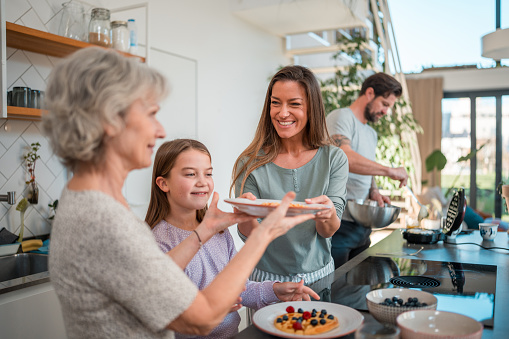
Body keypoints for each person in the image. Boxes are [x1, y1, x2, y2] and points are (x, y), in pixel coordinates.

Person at [42, 47, 315, 339]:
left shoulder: (88, 202)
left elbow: (155, 280)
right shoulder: (104, 223)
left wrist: (205, 230)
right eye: (151, 114)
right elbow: (201, 319)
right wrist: (263, 234)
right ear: (110, 121)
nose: (160, 131)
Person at [146, 139, 320, 339]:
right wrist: (216, 306)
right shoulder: (157, 243)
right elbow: (170, 317)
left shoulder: (219, 232)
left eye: (208, 173)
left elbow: (240, 289)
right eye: (190, 174)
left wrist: (274, 290)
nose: (203, 181)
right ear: (163, 183)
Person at [230, 65, 349, 286]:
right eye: (276, 103)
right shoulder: (249, 162)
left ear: (311, 108)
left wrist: (327, 213)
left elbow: (328, 230)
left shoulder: (334, 158)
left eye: (294, 104)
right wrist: (244, 217)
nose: (282, 113)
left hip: (319, 276)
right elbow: (250, 237)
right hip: (265, 280)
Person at [325, 72, 409, 268]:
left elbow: (366, 167)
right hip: (339, 224)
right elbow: (344, 158)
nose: (386, 111)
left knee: (357, 291)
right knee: (336, 290)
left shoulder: (371, 133)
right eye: (385, 104)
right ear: (370, 93)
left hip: (363, 226)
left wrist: (374, 191)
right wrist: (390, 171)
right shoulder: (341, 117)